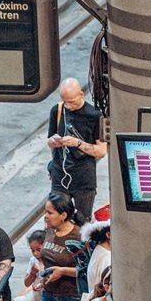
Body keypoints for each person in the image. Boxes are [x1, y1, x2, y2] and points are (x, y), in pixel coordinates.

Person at [46, 79, 106, 225]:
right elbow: (49, 141)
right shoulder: (58, 110)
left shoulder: (94, 116)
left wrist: (78, 143)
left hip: (83, 179)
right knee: (55, 219)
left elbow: (101, 150)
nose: (68, 106)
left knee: (82, 221)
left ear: (81, 94)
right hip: (60, 175)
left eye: (72, 101)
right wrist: (54, 142)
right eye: (65, 101)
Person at [32, 193, 86, 301]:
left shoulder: (79, 236)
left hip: (71, 298)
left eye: (50, 213)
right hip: (49, 296)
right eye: (45, 212)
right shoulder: (50, 230)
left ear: (63, 215)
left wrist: (62, 271)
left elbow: (87, 270)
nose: (46, 216)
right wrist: (44, 277)